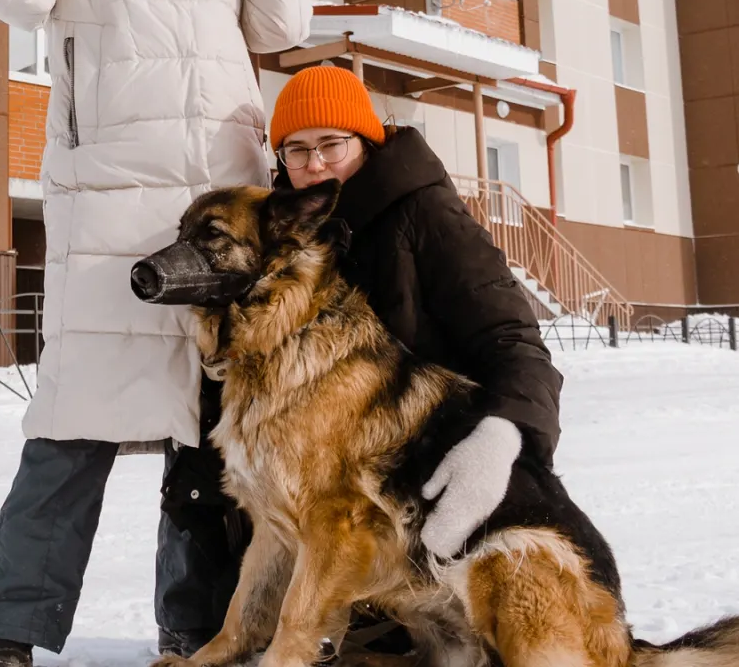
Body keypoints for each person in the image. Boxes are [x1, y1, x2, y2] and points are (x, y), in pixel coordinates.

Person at [0, 0, 312, 667]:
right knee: (68, 439)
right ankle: (9, 633)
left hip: (218, 229)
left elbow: (283, 26)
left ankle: (192, 630)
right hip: (109, 223)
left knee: (205, 451)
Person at [167, 64, 566, 656]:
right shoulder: (289, 231)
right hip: (358, 489)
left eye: (332, 144)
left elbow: (515, 339)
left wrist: (504, 439)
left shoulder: (425, 213)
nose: (316, 164)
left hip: (441, 465)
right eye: (297, 151)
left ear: (367, 140)